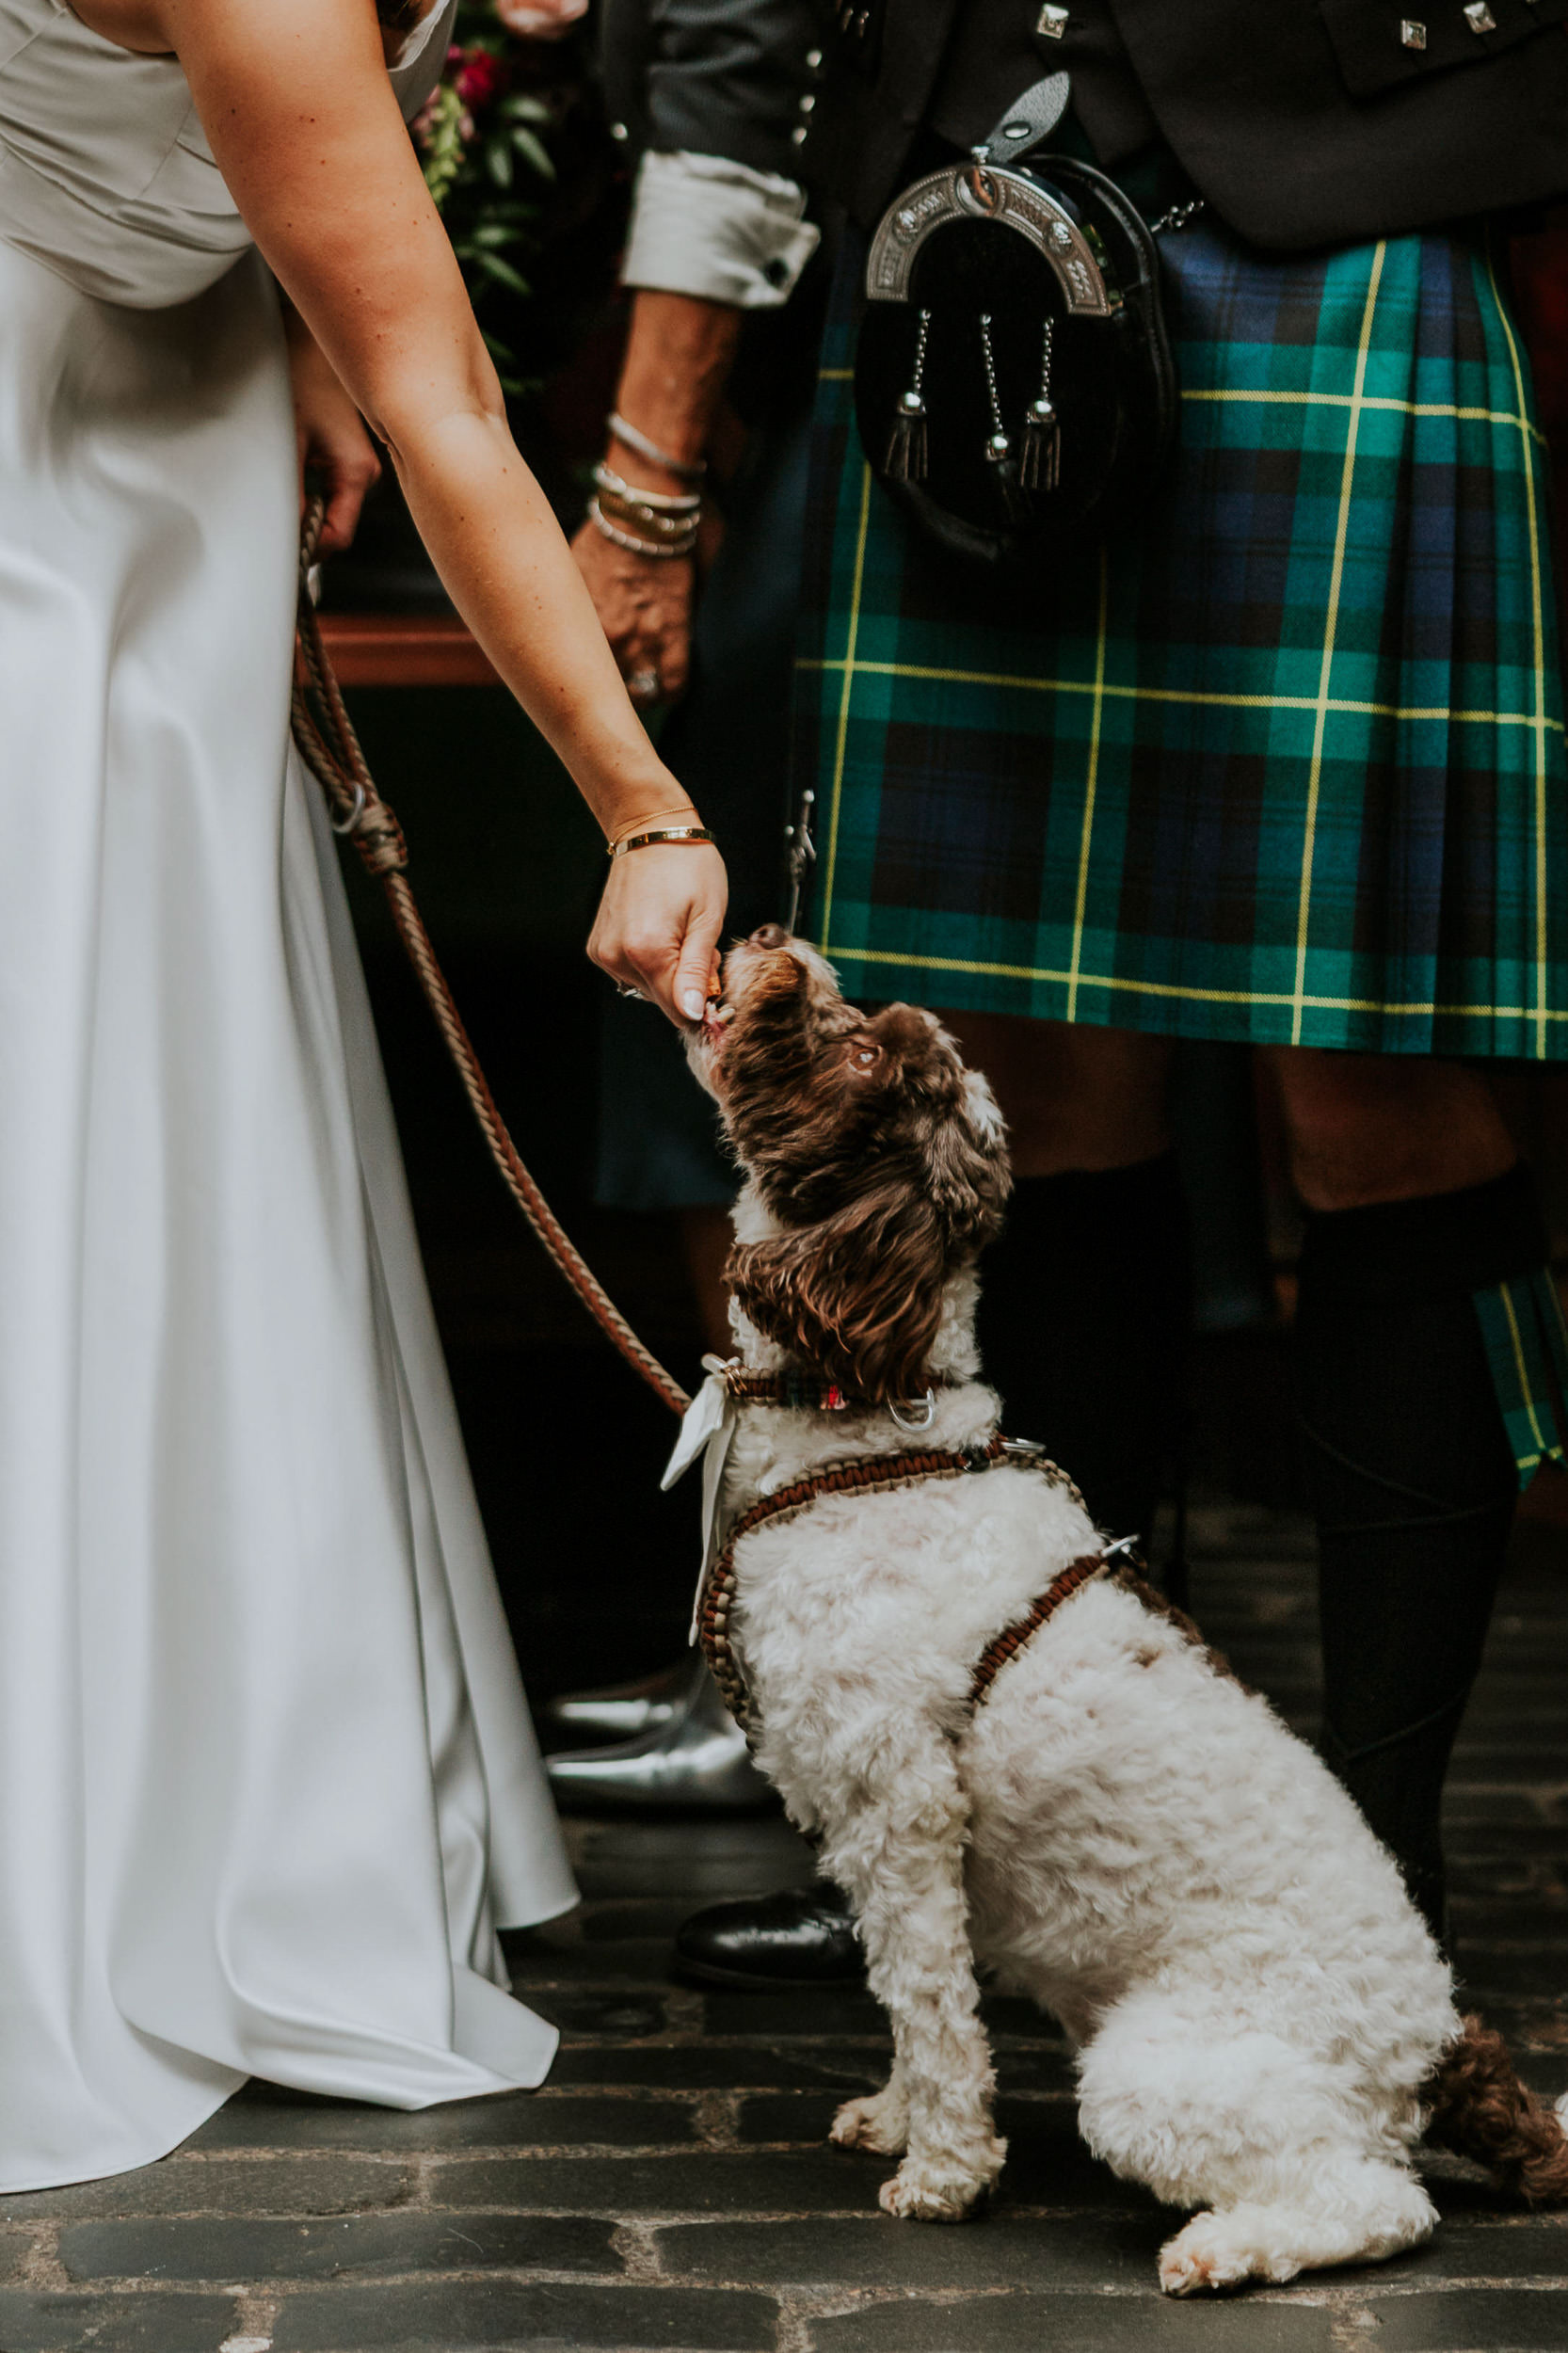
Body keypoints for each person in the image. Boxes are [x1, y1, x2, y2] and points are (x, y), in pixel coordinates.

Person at [673, 0, 1568, 1987]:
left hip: (1347, 195)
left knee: (1369, 1090)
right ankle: (1051, 1852)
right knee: (1032, 1087)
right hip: (965, 212)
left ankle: (1370, 1893)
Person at [0, 0, 726, 2190]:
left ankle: (220, 1765)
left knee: (189, 1083)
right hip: (31, 469)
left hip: (186, 406)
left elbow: (333, 237)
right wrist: (642, 807)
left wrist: (286, 322)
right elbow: (449, 403)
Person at [539, 0, 824, 1808]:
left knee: (742, 1034)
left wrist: (649, 487)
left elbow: (740, 51)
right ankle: (758, 1648)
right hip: (732, 393)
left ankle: (793, 1674)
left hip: (764, 406)